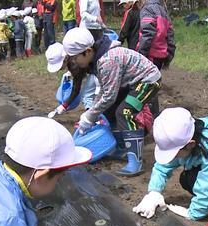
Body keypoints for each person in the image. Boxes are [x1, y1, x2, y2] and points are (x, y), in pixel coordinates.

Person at [63, 27, 161, 176]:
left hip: (148, 81)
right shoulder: (98, 60)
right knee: (109, 111)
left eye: (76, 58)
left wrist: (90, 116)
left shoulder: (108, 60)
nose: (75, 62)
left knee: (125, 112)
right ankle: (122, 146)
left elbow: (109, 95)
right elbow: (104, 88)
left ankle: (135, 160)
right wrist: (93, 112)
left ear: (88, 51)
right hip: (130, 83)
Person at [133, 108, 208, 221]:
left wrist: (194, 213)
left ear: (190, 145)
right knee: (187, 179)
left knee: (195, 181)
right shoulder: (184, 134)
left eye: (174, 153)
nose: (172, 157)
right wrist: (154, 192)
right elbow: (163, 166)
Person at [45, 42, 99, 117]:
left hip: (98, 69)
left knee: (87, 95)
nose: (59, 69)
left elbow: (76, 89)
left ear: (64, 59)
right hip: (95, 68)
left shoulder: (75, 64)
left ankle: (91, 117)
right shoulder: (72, 56)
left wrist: (64, 106)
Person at [138, 0, 175, 70]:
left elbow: (147, 34)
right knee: (155, 79)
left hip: (149, 56)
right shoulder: (163, 11)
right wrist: (169, 56)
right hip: (160, 56)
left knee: (146, 80)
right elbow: (170, 35)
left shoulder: (147, 9)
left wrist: (141, 56)